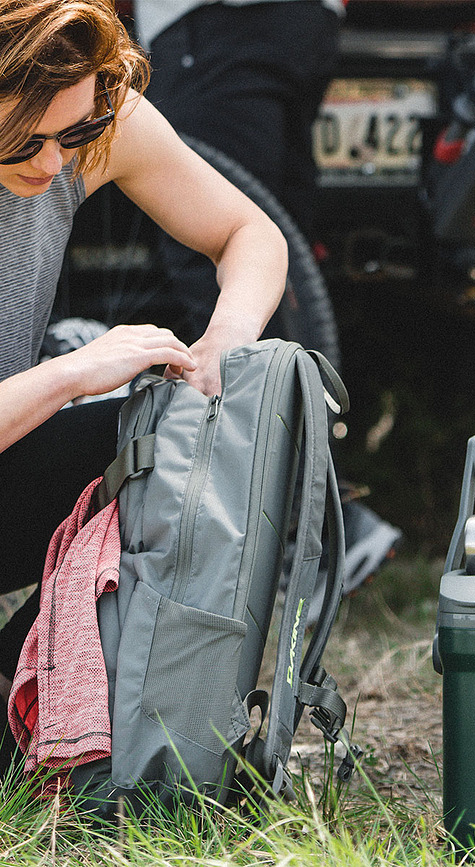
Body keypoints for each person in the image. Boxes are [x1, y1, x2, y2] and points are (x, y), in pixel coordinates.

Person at [0, 0, 288, 761]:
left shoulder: (90, 115)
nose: (54, 162)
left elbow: (248, 232)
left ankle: (23, 687)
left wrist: (222, 343)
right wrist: (72, 374)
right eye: (25, 140)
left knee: (177, 437)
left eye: (78, 134)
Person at [132, 0, 402, 603]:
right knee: (281, 259)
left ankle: (311, 528)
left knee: (217, 256)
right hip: (305, 24)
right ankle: (312, 520)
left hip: (214, 17)